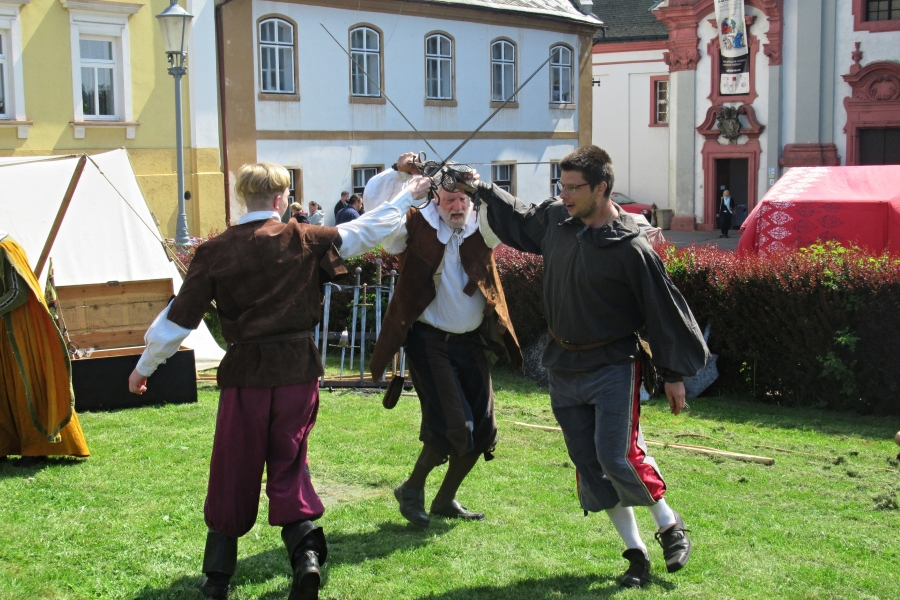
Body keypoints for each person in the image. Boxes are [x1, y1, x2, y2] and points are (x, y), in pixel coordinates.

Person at [127, 162, 437, 600]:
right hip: (297, 371)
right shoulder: (306, 237)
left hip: (245, 375)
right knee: (289, 461)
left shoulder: (215, 251)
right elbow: (366, 231)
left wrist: (144, 367)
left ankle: (217, 578)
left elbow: (178, 321)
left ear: (242, 197)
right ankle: (306, 556)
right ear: (280, 198)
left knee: (233, 465)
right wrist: (409, 196)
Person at [475, 145, 709, 588]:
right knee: (588, 461)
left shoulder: (631, 247)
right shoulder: (556, 221)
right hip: (563, 365)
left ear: (602, 188)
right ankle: (635, 554)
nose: (563, 195)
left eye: (573, 188)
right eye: (560, 186)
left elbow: (662, 310)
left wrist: (674, 375)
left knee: (616, 455)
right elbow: (520, 216)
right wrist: (480, 187)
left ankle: (669, 525)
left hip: (614, 364)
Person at [366, 162, 522, 529]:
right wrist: (398, 174)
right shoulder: (415, 226)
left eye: (464, 199)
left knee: (483, 430)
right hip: (429, 341)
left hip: (470, 343)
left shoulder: (482, 228)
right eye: (450, 199)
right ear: (436, 199)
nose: (457, 206)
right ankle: (412, 489)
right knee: (455, 426)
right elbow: (377, 211)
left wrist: (482, 188)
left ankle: (444, 498)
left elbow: (509, 214)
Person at [1, 231, 90, 465]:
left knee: (25, 387)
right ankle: (4, 445)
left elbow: (18, 293)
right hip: (3, 330)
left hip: (19, 330)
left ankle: (35, 448)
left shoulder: (5, 248)